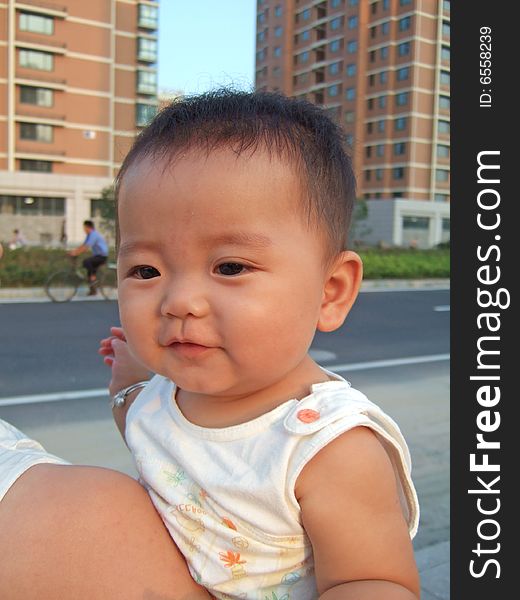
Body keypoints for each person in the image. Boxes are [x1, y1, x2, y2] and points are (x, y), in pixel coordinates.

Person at [0, 90, 420, 599]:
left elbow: (375, 581)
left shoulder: (326, 444)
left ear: (330, 292)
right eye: (145, 270)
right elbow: (152, 432)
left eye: (230, 267)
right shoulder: (162, 392)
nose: (179, 301)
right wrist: (129, 386)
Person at [68, 220, 108, 295]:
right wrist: (74, 251)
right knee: (88, 271)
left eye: (84, 228)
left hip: (101, 256)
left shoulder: (93, 235)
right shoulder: (89, 235)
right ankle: (93, 290)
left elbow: (86, 247)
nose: (84, 230)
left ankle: (93, 276)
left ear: (87, 227)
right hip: (97, 256)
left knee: (86, 262)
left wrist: (75, 253)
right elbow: (83, 245)